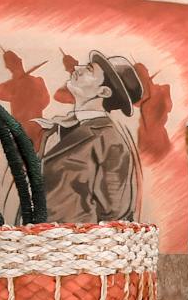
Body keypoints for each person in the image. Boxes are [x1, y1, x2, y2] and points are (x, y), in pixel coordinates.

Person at [33, 50, 145, 223]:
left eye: (90, 70)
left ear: (104, 92)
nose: (78, 68)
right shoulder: (55, 129)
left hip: (79, 243)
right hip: (40, 240)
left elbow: (115, 212)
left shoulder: (109, 140)